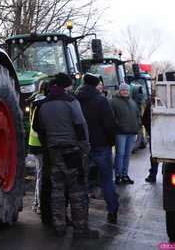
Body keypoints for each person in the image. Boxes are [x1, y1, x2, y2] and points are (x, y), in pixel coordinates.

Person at [33, 73, 100, 239]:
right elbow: (80, 125)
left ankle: (59, 226)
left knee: (57, 190)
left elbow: (38, 128)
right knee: (77, 191)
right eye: (70, 85)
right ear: (66, 86)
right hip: (72, 152)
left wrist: (48, 145)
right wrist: (85, 148)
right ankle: (81, 229)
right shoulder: (71, 102)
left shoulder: (41, 105)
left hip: (53, 151)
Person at [76, 73, 119, 224]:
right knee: (107, 180)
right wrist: (111, 142)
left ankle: (82, 215)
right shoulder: (101, 100)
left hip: (81, 146)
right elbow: (109, 124)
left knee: (82, 182)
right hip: (101, 145)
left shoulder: (75, 99)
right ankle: (112, 211)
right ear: (96, 85)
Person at [110, 83, 141, 184]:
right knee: (120, 154)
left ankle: (125, 174)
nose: (125, 92)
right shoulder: (113, 101)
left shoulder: (132, 102)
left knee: (127, 154)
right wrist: (118, 126)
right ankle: (118, 175)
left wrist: (138, 125)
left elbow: (137, 115)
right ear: (119, 91)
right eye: (123, 90)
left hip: (132, 132)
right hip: (121, 133)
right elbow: (112, 117)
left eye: (127, 90)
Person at [28, 80, 49, 214]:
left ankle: (36, 202)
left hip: (33, 143)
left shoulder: (34, 101)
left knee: (39, 173)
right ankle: (40, 204)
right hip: (41, 143)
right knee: (42, 174)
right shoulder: (44, 103)